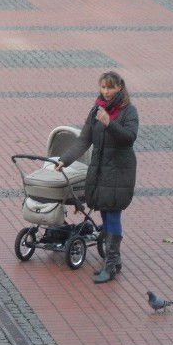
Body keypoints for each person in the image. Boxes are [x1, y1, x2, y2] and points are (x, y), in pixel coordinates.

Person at [56, 71, 139, 284]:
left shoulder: (129, 111)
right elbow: (84, 140)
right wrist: (64, 160)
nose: (106, 92)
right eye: (103, 87)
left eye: (110, 87)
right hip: (100, 168)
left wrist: (109, 123)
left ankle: (110, 264)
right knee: (104, 211)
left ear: (120, 87)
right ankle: (115, 260)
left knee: (112, 215)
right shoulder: (97, 109)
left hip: (119, 171)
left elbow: (129, 139)